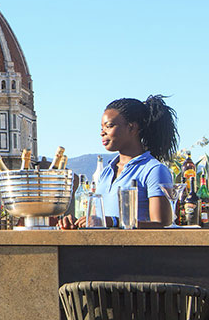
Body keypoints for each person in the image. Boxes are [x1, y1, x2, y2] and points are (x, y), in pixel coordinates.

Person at [58, 95, 178, 229]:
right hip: (104, 248)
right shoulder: (106, 172)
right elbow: (99, 219)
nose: (102, 133)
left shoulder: (154, 170)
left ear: (132, 128)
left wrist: (114, 221)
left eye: (109, 126)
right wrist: (78, 222)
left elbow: (162, 224)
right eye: (102, 128)